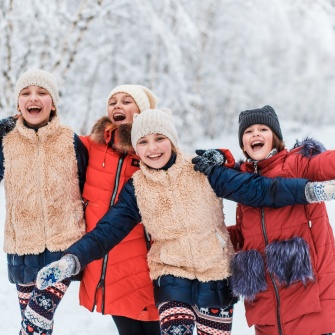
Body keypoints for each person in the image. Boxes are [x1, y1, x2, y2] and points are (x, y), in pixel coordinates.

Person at [35, 107, 335, 335]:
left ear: (172, 141)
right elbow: (106, 232)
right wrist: (72, 260)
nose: (153, 148)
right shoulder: (137, 188)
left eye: (160, 139)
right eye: (144, 142)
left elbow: (259, 191)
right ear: (136, 148)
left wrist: (312, 189)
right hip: (172, 279)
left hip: (216, 277)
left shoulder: (201, 169)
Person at [192, 105, 335, 335]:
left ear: (275, 138)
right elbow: (244, 235)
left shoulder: (297, 164)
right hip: (267, 318)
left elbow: (326, 163)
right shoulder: (243, 184)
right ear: (243, 144)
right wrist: (208, 235)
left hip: (309, 309)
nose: (255, 134)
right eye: (248, 132)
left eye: (263, 129)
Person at [0, 69, 88, 335]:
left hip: (63, 251)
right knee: (38, 325)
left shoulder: (71, 141)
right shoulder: (6, 142)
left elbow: (92, 187)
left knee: (35, 324)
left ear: (53, 103)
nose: (33, 98)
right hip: (22, 248)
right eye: (26, 93)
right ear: (18, 104)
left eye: (42, 93)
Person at [78, 84, 160, 335]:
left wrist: (222, 157)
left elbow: (185, 167)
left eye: (126, 101)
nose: (118, 106)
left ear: (141, 111)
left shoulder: (152, 148)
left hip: (141, 258)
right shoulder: (93, 145)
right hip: (104, 257)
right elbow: (55, 141)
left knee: (153, 326)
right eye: (113, 102)